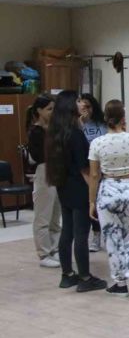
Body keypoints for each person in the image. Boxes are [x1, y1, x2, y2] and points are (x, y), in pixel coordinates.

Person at [45, 90, 107, 292]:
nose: (82, 104)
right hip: (80, 187)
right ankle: (85, 278)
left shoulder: (56, 132)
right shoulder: (76, 135)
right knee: (81, 234)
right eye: (78, 101)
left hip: (64, 186)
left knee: (68, 231)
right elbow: (85, 169)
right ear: (70, 105)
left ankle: (67, 275)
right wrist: (93, 195)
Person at [88, 100, 129, 299]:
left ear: (105, 118)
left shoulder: (97, 143)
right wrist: (124, 127)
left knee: (112, 239)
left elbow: (94, 175)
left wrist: (91, 202)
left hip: (108, 190)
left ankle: (120, 284)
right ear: (123, 117)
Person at [26, 94, 61, 268]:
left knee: (55, 216)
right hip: (44, 171)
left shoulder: (54, 128)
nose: (52, 112)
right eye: (49, 109)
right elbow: (39, 155)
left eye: (54, 109)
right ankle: (44, 253)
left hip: (57, 171)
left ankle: (54, 249)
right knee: (43, 216)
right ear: (39, 110)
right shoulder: (36, 131)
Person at [79, 93, 108, 252]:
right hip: (85, 167)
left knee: (101, 202)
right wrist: (81, 122)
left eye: (88, 107)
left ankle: (105, 233)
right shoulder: (78, 124)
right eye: (82, 107)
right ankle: (95, 235)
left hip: (102, 166)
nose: (85, 110)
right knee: (90, 202)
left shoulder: (101, 123)